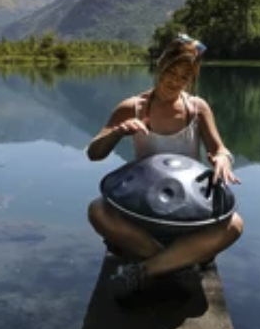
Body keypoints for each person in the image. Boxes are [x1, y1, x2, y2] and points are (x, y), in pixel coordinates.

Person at [86, 33, 243, 299]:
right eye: (172, 71)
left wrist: (223, 159)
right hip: (144, 213)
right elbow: (94, 153)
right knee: (98, 210)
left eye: (184, 76)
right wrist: (118, 132)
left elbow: (219, 148)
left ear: (191, 78)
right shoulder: (133, 107)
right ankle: (179, 261)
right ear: (161, 65)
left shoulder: (196, 108)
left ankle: (147, 268)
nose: (176, 81)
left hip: (189, 217)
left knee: (234, 224)